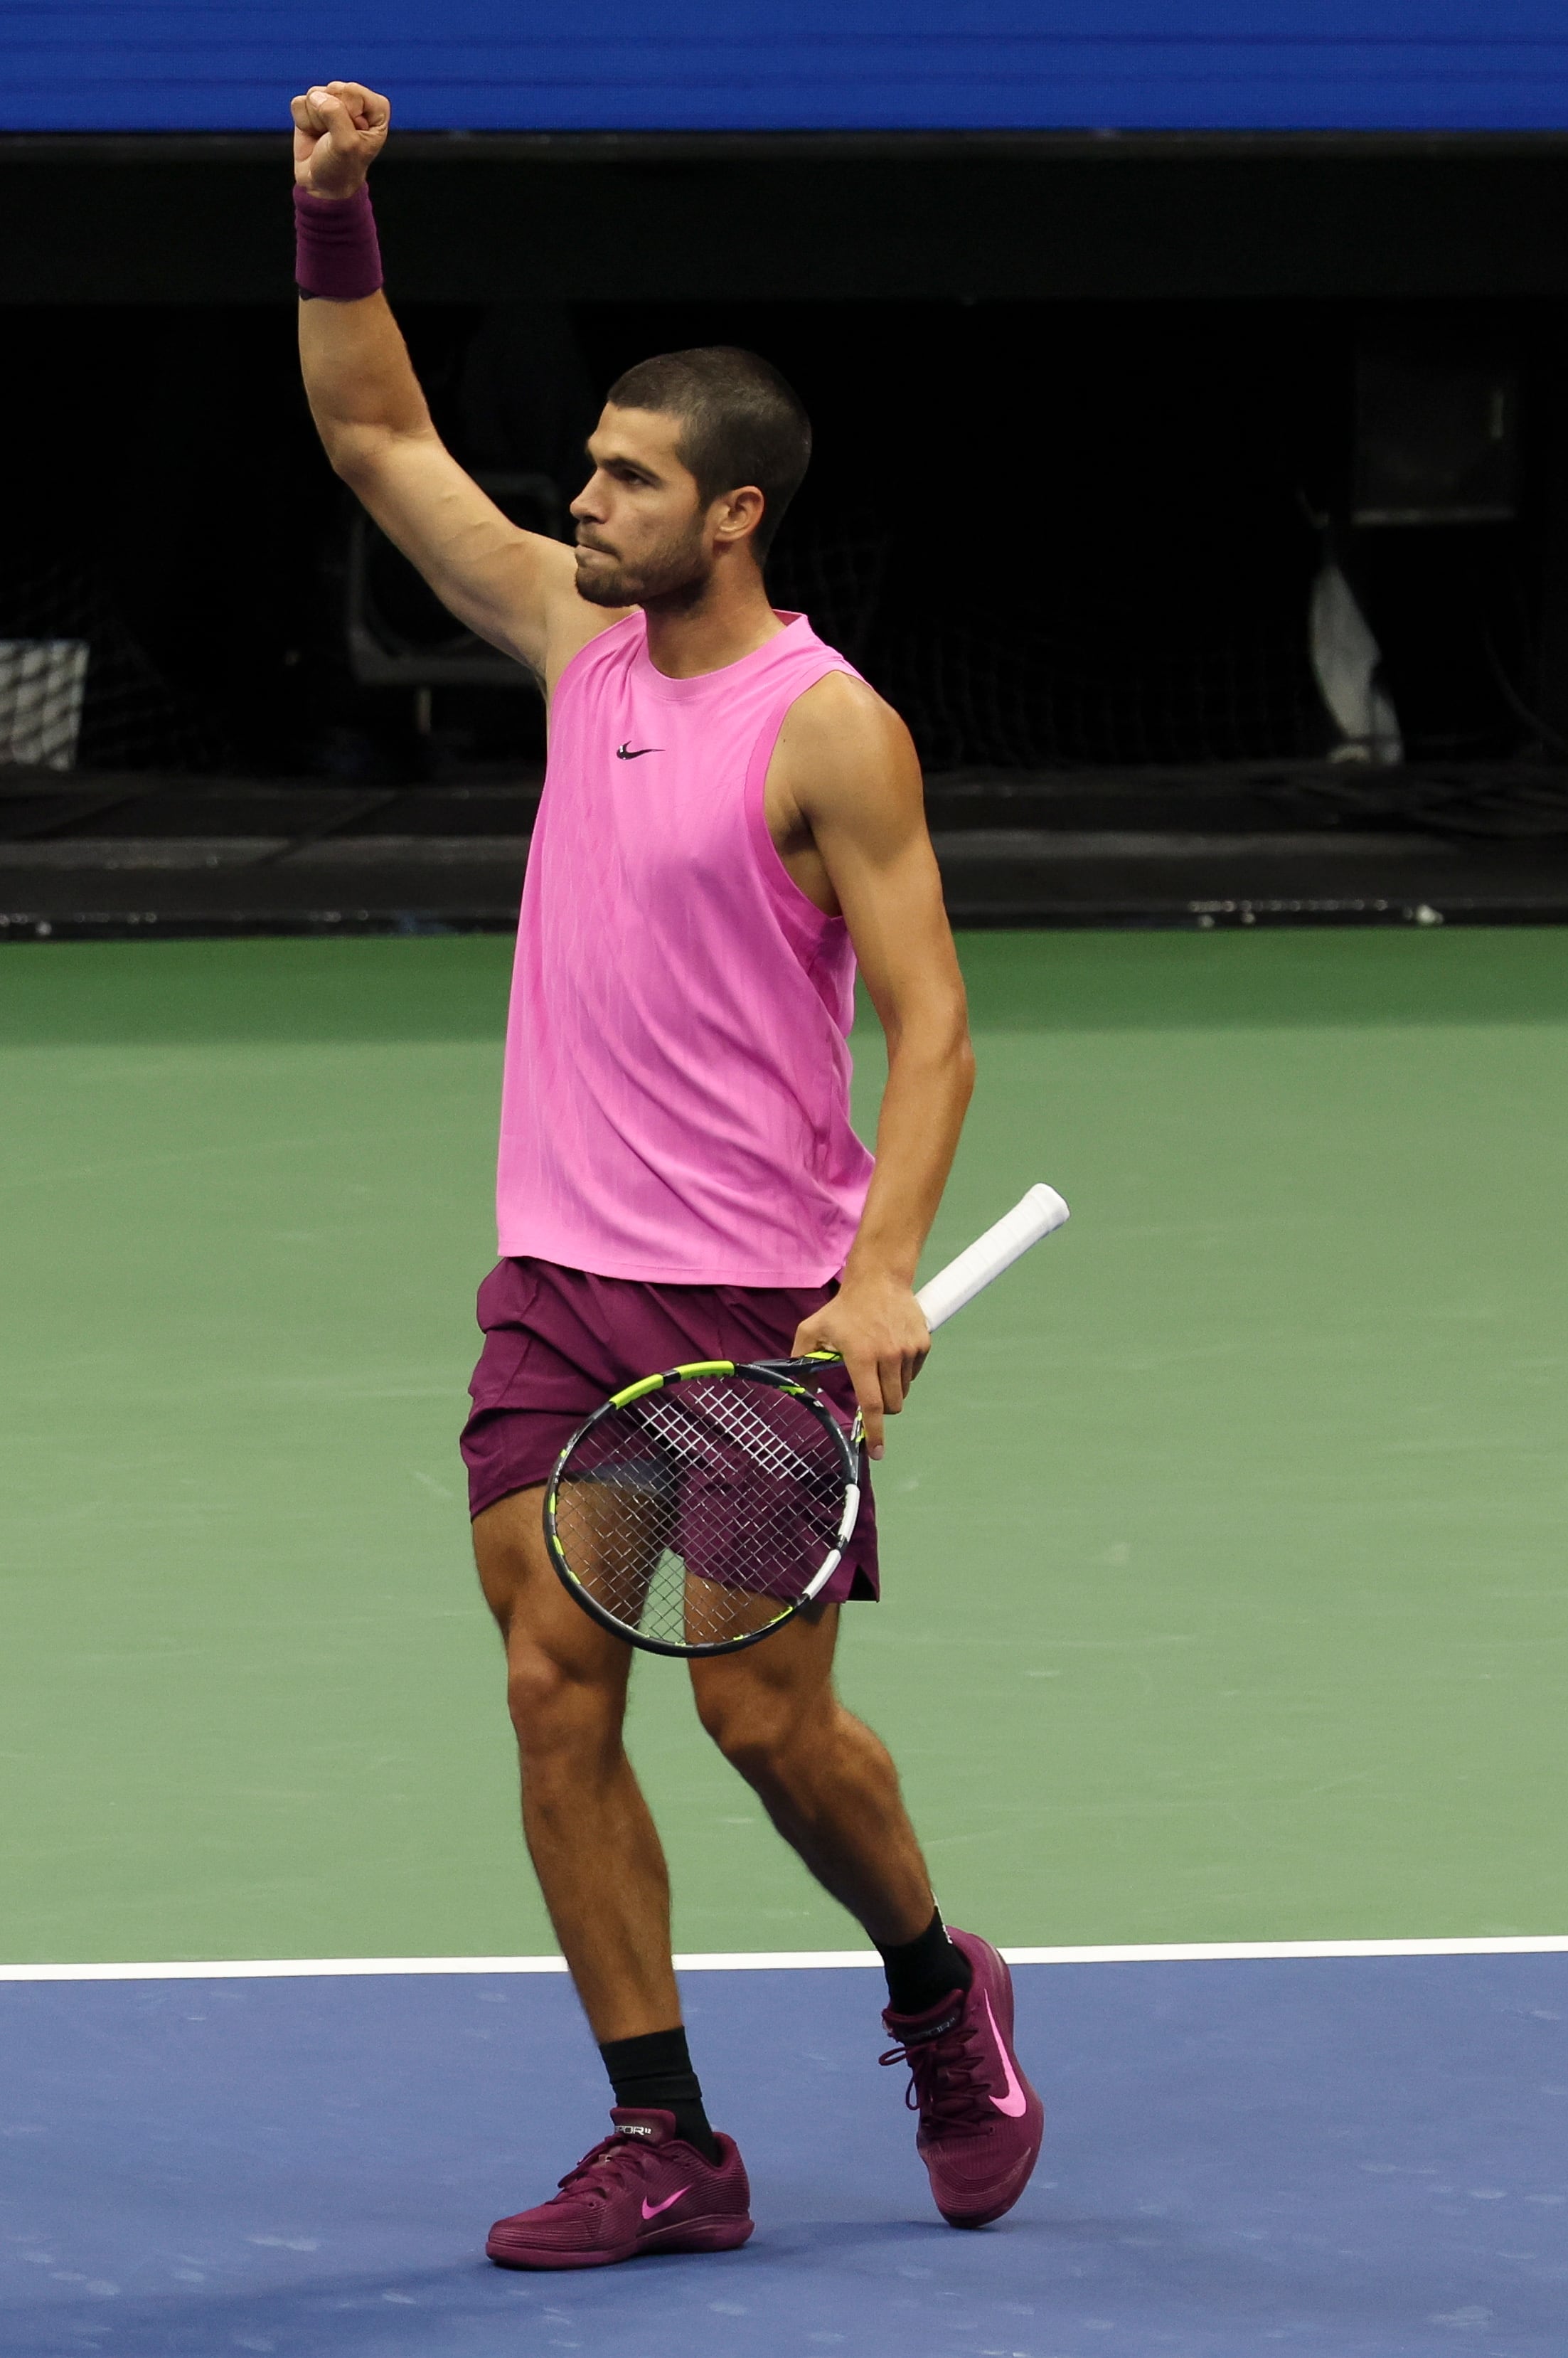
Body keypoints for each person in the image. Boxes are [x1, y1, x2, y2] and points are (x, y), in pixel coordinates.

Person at [288, 83, 1045, 2268]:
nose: (580, 495)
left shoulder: (833, 728)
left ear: (733, 514)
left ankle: (933, 1982)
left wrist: (884, 1264)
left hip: (752, 1304)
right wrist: (334, 213)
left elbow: (938, 1021)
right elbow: (374, 437)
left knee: (762, 1719)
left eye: (626, 475)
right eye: (589, 464)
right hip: (561, 1278)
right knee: (552, 1683)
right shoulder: (569, 642)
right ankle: (666, 2134)